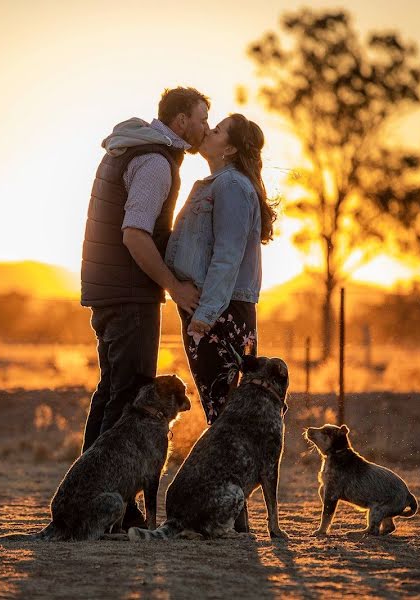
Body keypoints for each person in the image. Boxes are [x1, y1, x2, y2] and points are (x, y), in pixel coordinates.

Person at [79, 87, 210, 528]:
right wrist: (173, 285)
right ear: (179, 122)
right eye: (201, 119)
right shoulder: (154, 163)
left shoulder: (131, 150)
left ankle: (88, 494)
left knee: (111, 392)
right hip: (130, 293)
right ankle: (114, 504)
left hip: (107, 291)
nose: (205, 128)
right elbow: (135, 233)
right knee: (128, 395)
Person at [165, 113, 278, 424]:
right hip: (215, 308)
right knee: (224, 413)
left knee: (225, 413)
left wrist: (206, 313)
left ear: (229, 150)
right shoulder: (221, 184)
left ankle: (236, 471)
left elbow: (228, 254)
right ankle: (236, 471)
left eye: (217, 131)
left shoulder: (231, 186)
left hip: (221, 312)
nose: (208, 132)